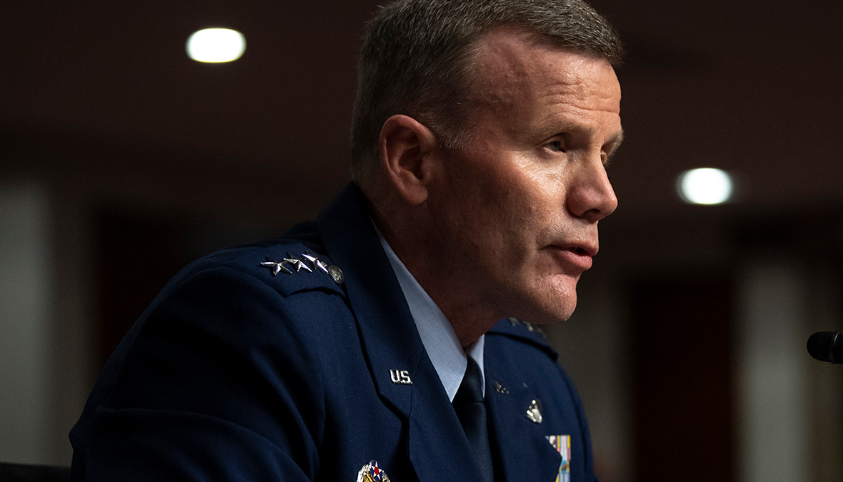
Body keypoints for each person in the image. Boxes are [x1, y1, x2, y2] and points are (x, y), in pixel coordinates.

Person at [69, 0, 624, 480]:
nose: (602, 196)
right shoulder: (249, 332)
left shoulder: (538, 379)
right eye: (556, 144)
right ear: (412, 161)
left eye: (605, 153)